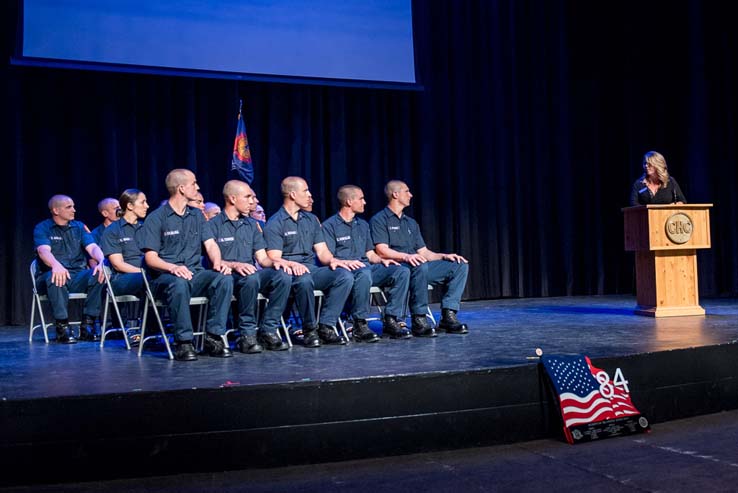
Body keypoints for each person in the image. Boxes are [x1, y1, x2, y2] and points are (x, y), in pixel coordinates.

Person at [139, 169, 234, 361]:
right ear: (181, 188)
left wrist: (217, 262)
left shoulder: (197, 216)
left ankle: (213, 337)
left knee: (224, 278)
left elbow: (210, 244)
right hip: (165, 277)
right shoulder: (156, 218)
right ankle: (183, 342)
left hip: (194, 273)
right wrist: (172, 268)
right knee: (179, 283)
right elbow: (151, 258)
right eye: (194, 183)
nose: (197, 187)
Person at [370, 180, 470, 337]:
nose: (411, 195)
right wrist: (407, 256)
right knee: (419, 266)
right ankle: (419, 319)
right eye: (407, 191)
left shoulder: (410, 223)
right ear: (395, 194)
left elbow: (424, 252)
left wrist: (444, 256)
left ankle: (448, 316)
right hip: (399, 267)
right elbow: (381, 251)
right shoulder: (379, 220)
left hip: (417, 266)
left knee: (459, 265)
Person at [264, 176, 353, 347]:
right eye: (305, 191)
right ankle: (309, 330)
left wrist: (334, 260)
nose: (309, 194)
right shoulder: (275, 222)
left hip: (311, 268)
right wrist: (292, 265)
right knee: (304, 280)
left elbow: (322, 251)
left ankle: (326, 326)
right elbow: (274, 257)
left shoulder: (311, 220)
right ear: (292, 194)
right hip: (289, 270)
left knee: (344, 276)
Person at [208, 180, 291, 353]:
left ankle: (268, 329)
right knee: (250, 277)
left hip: (249, 272)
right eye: (247, 197)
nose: (251, 202)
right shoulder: (213, 225)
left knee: (282, 275)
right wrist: (233, 264)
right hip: (226, 274)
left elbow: (262, 258)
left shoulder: (252, 225)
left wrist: (278, 262)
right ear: (232, 198)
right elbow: (212, 260)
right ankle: (246, 335)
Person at [322, 185, 411, 341]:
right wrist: (346, 262)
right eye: (361, 199)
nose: (365, 202)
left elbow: (370, 254)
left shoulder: (362, 225)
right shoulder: (330, 226)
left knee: (401, 270)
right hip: (345, 270)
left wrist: (383, 260)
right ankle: (359, 323)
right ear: (349, 201)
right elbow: (329, 257)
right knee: (363, 273)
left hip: (366, 267)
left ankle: (391, 319)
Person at [33, 195, 106, 343]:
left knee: (99, 274)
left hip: (77, 275)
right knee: (56, 276)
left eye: (73, 206)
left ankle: (88, 325)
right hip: (49, 275)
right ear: (55, 210)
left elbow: (92, 248)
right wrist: (55, 265)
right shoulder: (43, 227)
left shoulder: (79, 227)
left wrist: (102, 261)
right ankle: (62, 327)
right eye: (69, 207)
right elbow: (43, 251)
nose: (74, 210)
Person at [99, 189, 149, 329]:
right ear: (130, 206)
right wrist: (143, 272)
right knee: (148, 279)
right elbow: (118, 265)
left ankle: (153, 327)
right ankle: (139, 329)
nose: (147, 206)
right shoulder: (113, 230)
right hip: (121, 279)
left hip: (145, 275)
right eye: (143, 202)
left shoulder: (146, 228)